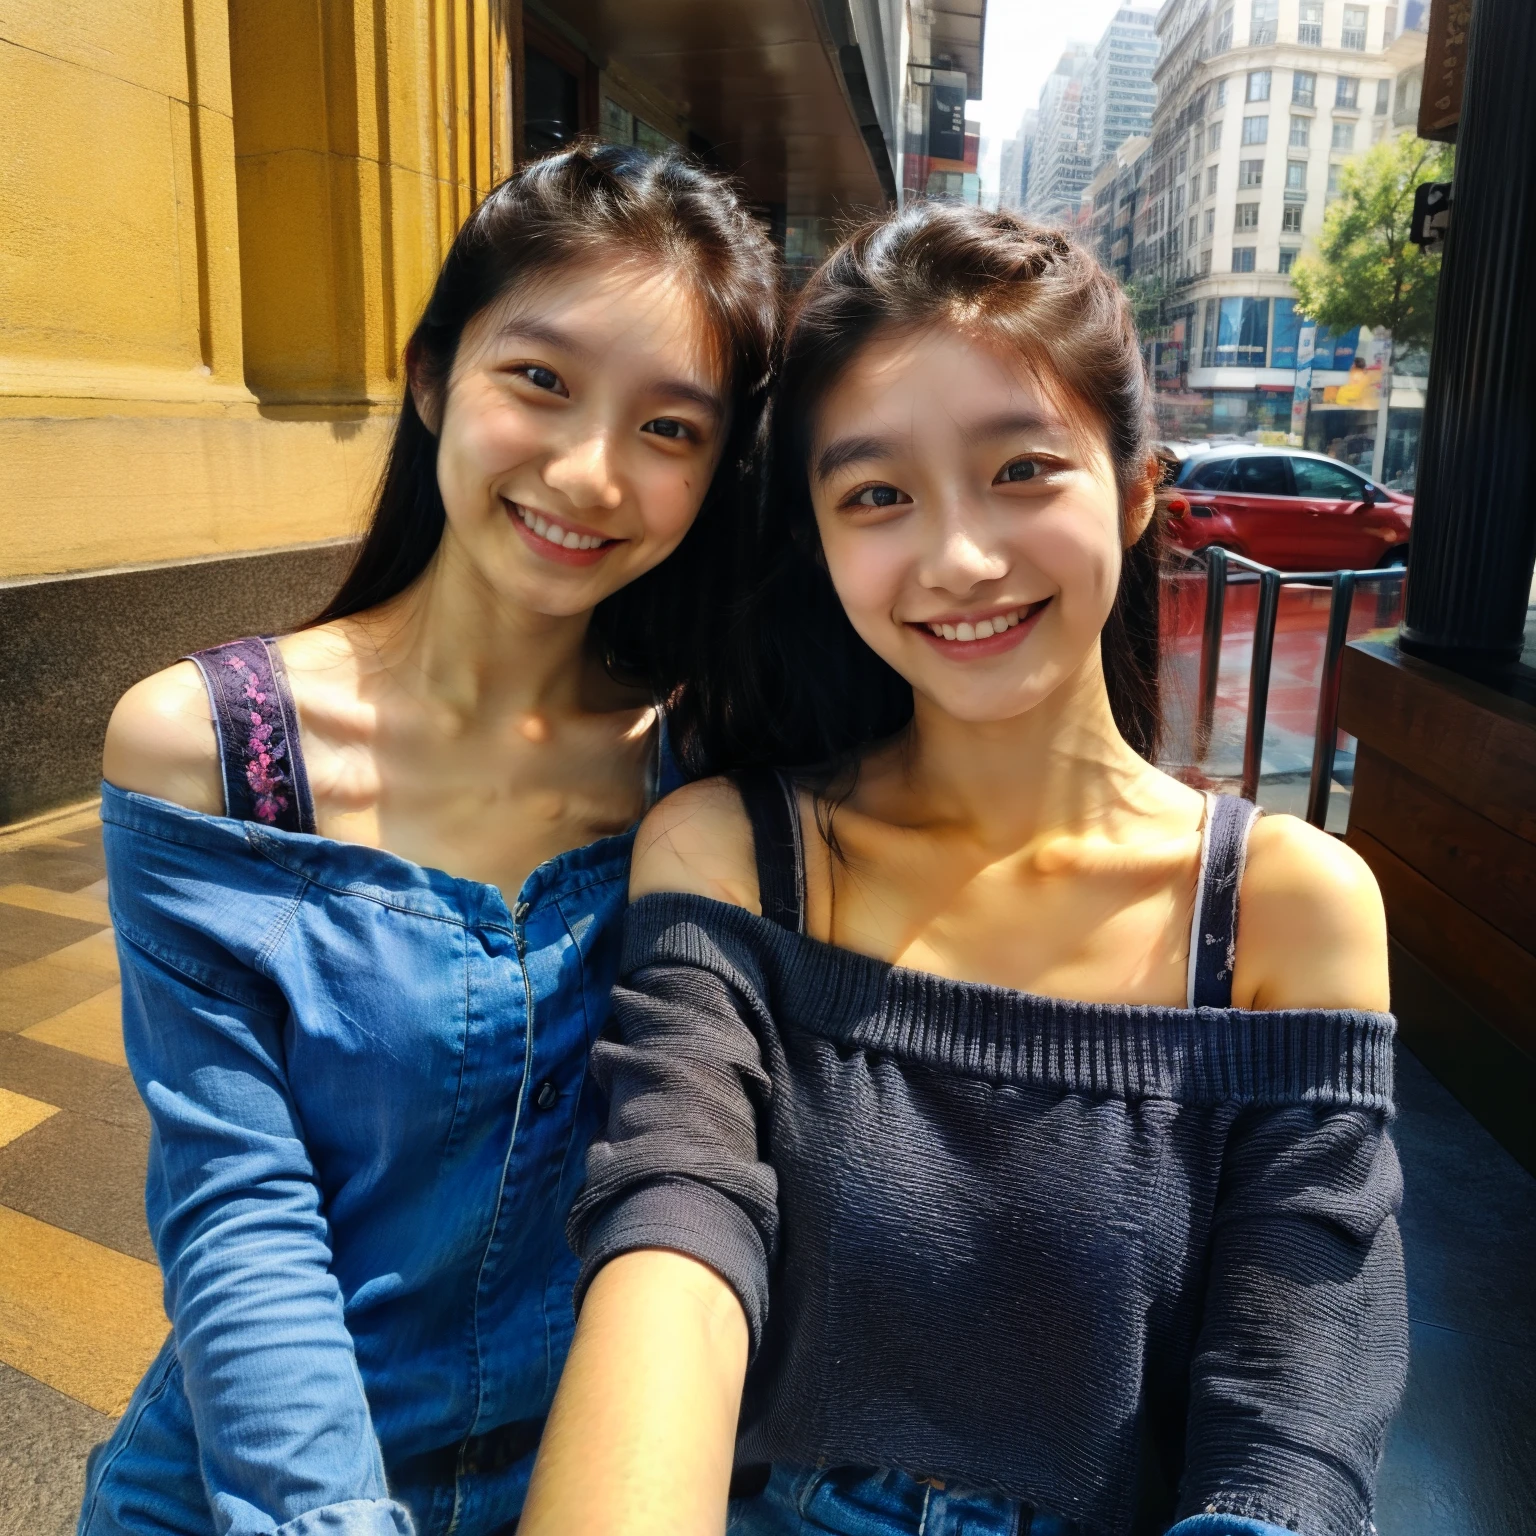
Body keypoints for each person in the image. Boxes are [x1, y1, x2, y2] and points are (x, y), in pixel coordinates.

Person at [520, 204, 1407, 1536]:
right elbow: (673, 1230)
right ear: (819, 538)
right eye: (877, 494)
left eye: (1021, 470)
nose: (959, 560)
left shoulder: (1283, 909)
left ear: (1140, 488)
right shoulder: (737, 854)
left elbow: (1293, 1420)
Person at [80, 144, 776, 1536]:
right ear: (430, 374)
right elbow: (237, 1211)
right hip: (249, 1494)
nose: (590, 472)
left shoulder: (702, 776)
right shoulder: (213, 750)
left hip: (595, 1480)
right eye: (541, 381)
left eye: (670, 428)